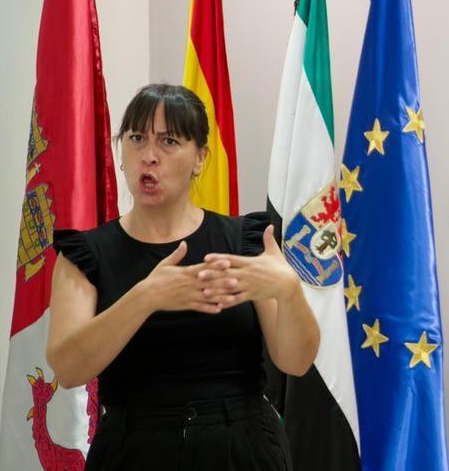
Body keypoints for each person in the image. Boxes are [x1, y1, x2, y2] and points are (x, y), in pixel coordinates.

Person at [46, 84, 319, 470]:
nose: (149, 156)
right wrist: (145, 298)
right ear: (120, 152)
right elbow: (68, 370)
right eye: (137, 139)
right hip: (134, 450)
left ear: (200, 158)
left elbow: (296, 361)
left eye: (169, 141)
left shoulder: (245, 241)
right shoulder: (86, 255)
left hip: (241, 447)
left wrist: (290, 292)